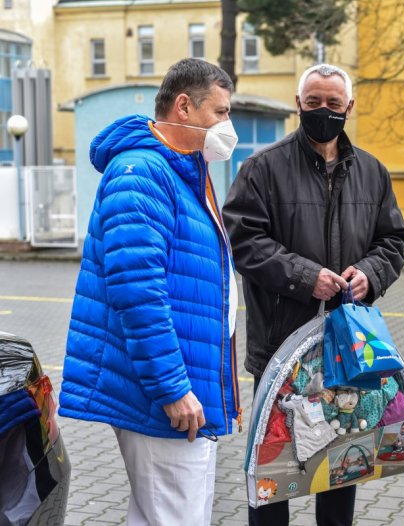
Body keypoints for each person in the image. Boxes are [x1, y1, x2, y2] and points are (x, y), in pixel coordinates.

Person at [222, 63, 404, 526]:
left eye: (332, 103)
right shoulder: (261, 168)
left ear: (349, 107)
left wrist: (370, 274)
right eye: (313, 102)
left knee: (342, 467)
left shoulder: (372, 171)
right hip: (280, 348)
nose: (323, 111)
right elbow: (243, 240)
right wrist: (307, 277)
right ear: (297, 105)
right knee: (274, 473)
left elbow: (394, 241)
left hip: (346, 348)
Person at [59, 58, 241, 525]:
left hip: (184, 386)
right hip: (163, 394)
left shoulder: (181, 172)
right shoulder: (142, 173)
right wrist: (172, 387)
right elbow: (137, 292)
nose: (228, 125)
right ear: (184, 107)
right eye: (220, 112)